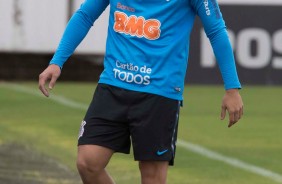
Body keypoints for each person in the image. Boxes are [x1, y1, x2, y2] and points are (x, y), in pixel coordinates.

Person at [39, 0, 244, 183]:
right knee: (87, 163)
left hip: (160, 93)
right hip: (112, 85)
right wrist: (57, 61)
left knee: (152, 177)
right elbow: (85, 15)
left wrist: (232, 88)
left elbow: (216, 31)